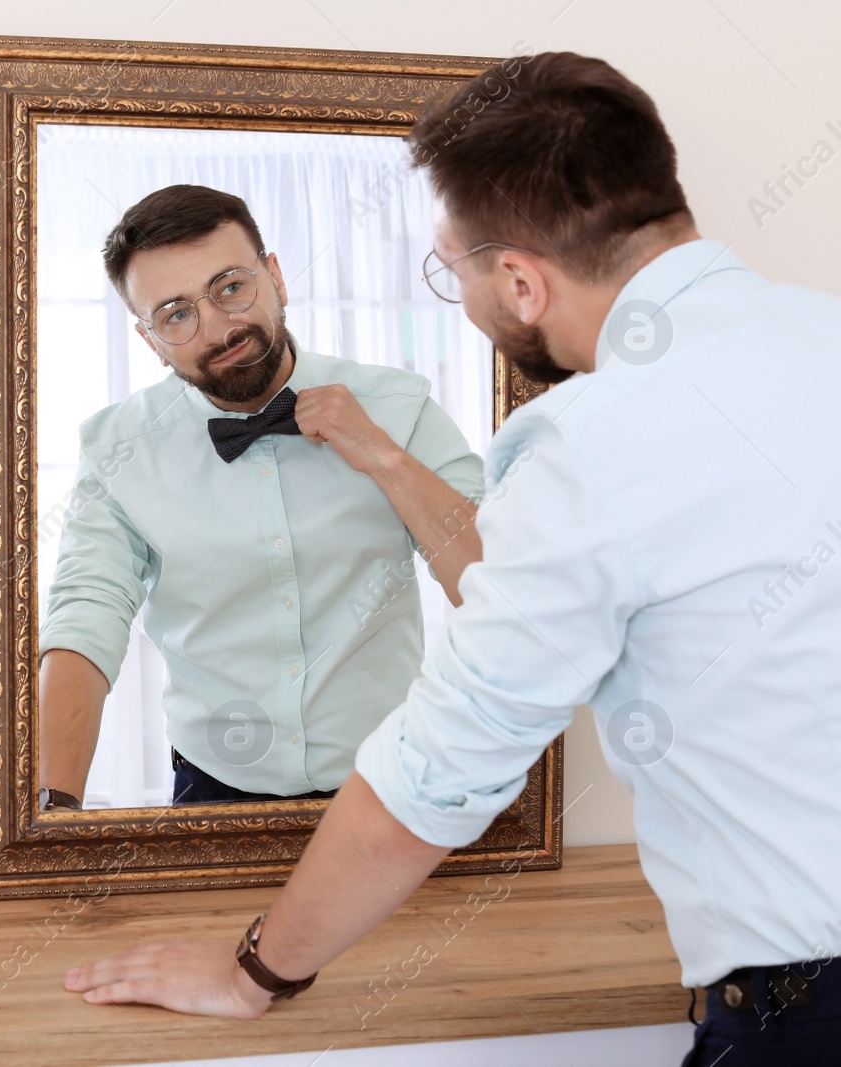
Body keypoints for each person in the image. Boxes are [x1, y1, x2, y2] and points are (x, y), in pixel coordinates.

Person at [63, 50, 841, 1067]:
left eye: (452, 267)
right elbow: (84, 608)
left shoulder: (584, 445)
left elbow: (449, 758)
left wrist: (255, 969)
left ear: (518, 279)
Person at [36, 183, 485, 810]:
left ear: (274, 276)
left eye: (230, 287)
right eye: (176, 313)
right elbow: (87, 618)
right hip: (213, 788)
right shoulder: (118, 449)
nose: (218, 327)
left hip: (395, 780)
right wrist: (53, 816)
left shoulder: (400, 408)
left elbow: (497, 588)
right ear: (150, 340)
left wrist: (383, 456)